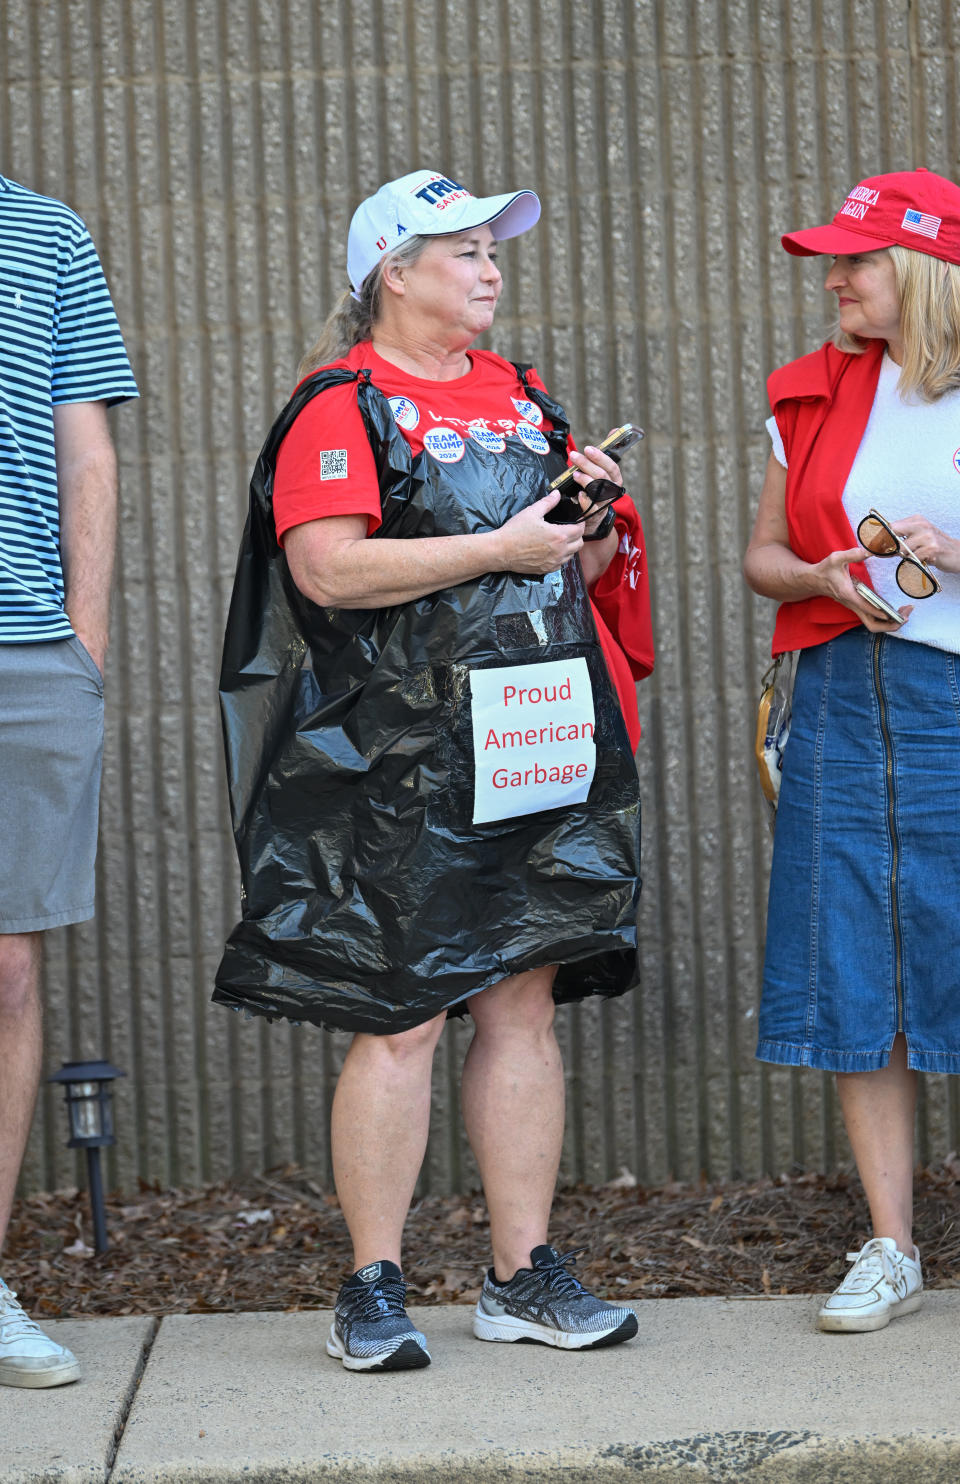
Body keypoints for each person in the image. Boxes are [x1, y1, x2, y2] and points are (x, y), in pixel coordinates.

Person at [215, 169, 653, 1370]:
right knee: (400, 1013)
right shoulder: (339, 405)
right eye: (459, 249)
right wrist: (503, 545)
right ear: (391, 274)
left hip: (536, 732)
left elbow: (563, 558)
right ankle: (373, 1282)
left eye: (491, 248)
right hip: (396, 753)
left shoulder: (521, 396)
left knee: (521, 1006)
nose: (489, 267)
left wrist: (591, 515)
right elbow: (326, 571)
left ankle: (522, 1273)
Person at [743, 167, 960, 1333]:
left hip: (955, 699)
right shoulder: (811, 393)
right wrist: (822, 574)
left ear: (925, 267)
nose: (833, 277)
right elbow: (762, 556)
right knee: (857, 967)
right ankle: (890, 1244)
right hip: (839, 691)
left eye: (856, 259)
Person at [0, 174, 138, 1387]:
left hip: (26, 650)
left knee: (6, 966)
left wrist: (81, 643)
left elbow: (85, 442)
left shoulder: (43, 231)